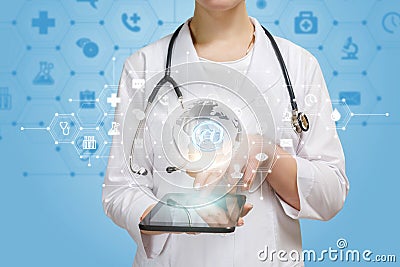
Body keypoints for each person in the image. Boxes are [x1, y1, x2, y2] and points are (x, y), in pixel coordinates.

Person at [102, 0, 349, 266]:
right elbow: (121, 191)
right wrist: (179, 214)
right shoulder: (143, 67)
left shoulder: (299, 66)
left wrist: (267, 155)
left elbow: (331, 193)